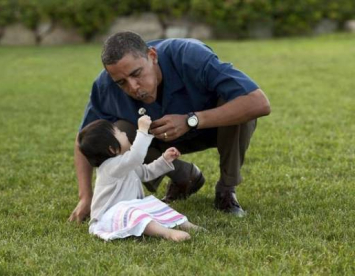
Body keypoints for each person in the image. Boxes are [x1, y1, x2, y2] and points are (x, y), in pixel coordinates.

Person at [69, 31, 271, 222]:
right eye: (122, 82)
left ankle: (226, 189)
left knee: (237, 103)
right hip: (159, 142)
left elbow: (258, 102)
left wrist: (191, 120)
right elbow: (83, 140)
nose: (133, 87)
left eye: (137, 73)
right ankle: (184, 177)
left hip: (211, 129)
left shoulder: (190, 55)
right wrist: (86, 197)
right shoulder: (105, 86)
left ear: (152, 55)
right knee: (119, 130)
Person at [79, 115, 201, 241]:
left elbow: (146, 173)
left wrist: (164, 160)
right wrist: (142, 130)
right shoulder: (110, 167)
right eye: (119, 132)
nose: (124, 133)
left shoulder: (124, 163)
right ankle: (166, 233)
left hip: (129, 210)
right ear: (112, 149)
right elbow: (137, 156)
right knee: (133, 212)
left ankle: (186, 224)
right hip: (110, 217)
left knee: (154, 204)